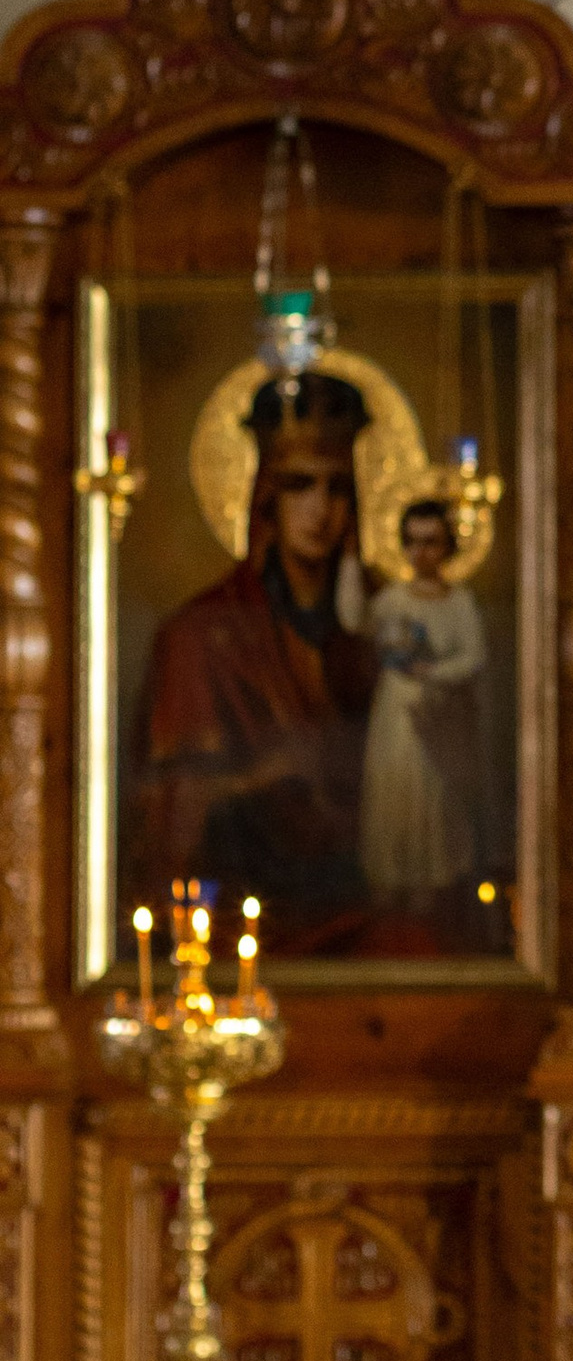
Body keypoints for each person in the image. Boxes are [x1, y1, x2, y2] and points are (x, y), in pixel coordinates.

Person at [136, 369, 379, 951]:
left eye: (337, 487)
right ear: (267, 494)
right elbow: (167, 812)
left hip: (371, 903)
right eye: (300, 485)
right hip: (244, 916)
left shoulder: (386, 622)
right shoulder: (197, 636)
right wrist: (261, 774)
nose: (320, 509)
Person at [358, 495, 488, 904]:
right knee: (391, 788)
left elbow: (475, 655)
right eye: (412, 541)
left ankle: (427, 885)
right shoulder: (393, 599)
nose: (421, 552)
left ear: (447, 545)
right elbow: (355, 622)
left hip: (437, 713)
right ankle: (388, 881)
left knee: (430, 794)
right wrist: (347, 563)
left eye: (430, 541)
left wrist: (431, 673)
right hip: (394, 710)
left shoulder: (460, 602)